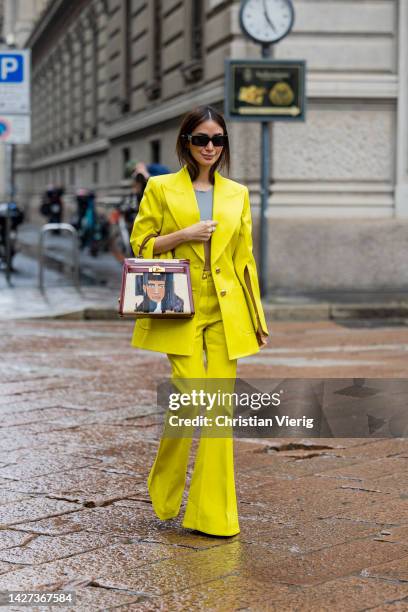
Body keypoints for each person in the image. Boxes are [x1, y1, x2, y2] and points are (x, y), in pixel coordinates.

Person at [129, 104, 269, 537]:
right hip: (178, 305)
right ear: (186, 142)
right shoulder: (160, 187)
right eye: (202, 139)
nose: (210, 147)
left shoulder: (238, 194)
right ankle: (166, 481)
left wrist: (257, 318)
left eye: (218, 139)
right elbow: (140, 243)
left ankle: (213, 517)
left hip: (226, 312)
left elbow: (244, 261)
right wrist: (183, 235)